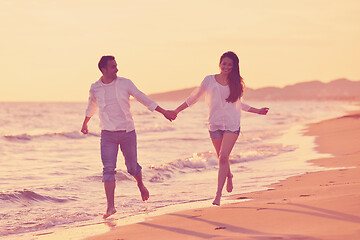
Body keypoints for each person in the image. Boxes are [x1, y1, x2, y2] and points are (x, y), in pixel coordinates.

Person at [81, 55, 176, 219]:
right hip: (107, 134)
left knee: (132, 167)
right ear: (103, 69)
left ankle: (140, 185)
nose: (116, 69)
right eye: (113, 66)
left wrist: (164, 112)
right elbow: (92, 105)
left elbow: (143, 98)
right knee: (108, 170)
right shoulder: (95, 87)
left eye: (116, 65)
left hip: (127, 132)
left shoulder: (125, 83)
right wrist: (85, 123)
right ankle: (110, 207)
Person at [172, 51, 269, 206]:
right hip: (215, 124)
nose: (226, 67)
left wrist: (257, 110)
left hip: (232, 124)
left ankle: (218, 195)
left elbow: (239, 104)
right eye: (224, 63)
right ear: (220, 64)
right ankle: (229, 176)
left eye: (230, 65)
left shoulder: (236, 84)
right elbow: (193, 98)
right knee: (222, 157)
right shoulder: (209, 80)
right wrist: (176, 111)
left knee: (223, 156)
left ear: (234, 67)